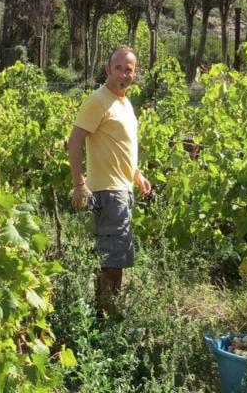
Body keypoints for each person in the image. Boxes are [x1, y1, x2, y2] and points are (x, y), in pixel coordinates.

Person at [67, 45, 152, 315]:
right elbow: (75, 142)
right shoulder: (99, 100)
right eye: (119, 68)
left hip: (123, 189)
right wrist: (80, 185)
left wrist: (136, 175)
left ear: (135, 73)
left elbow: (121, 146)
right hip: (109, 191)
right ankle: (107, 319)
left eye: (129, 69)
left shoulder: (124, 103)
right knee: (111, 260)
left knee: (115, 258)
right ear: (108, 70)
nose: (123, 74)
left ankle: (105, 314)